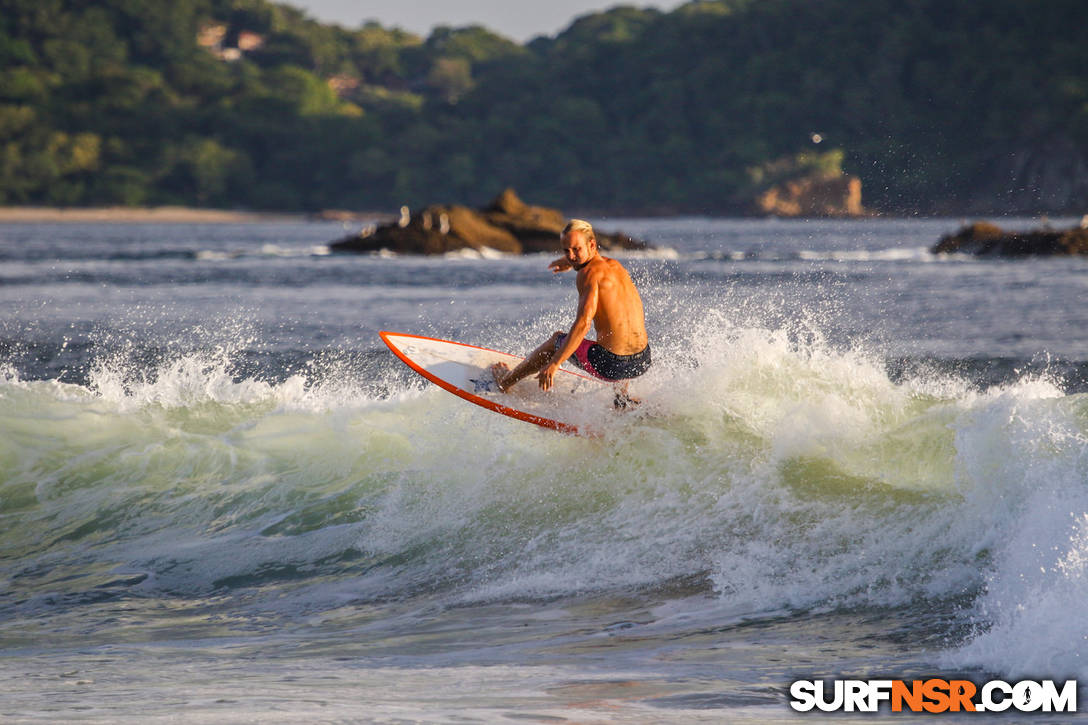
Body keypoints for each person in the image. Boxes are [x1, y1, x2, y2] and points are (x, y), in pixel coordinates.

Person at [490, 219, 650, 402]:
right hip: (642, 361)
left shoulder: (588, 275)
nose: (571, 255)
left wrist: (555, 363)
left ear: (591, 244)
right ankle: (621, 399)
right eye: (566, 250)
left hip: (612, 366)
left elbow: (583, 323)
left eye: (576, 249)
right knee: (619, 334)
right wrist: (573, 262)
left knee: (555, 341)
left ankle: (505, 382)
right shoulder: (616, 266)